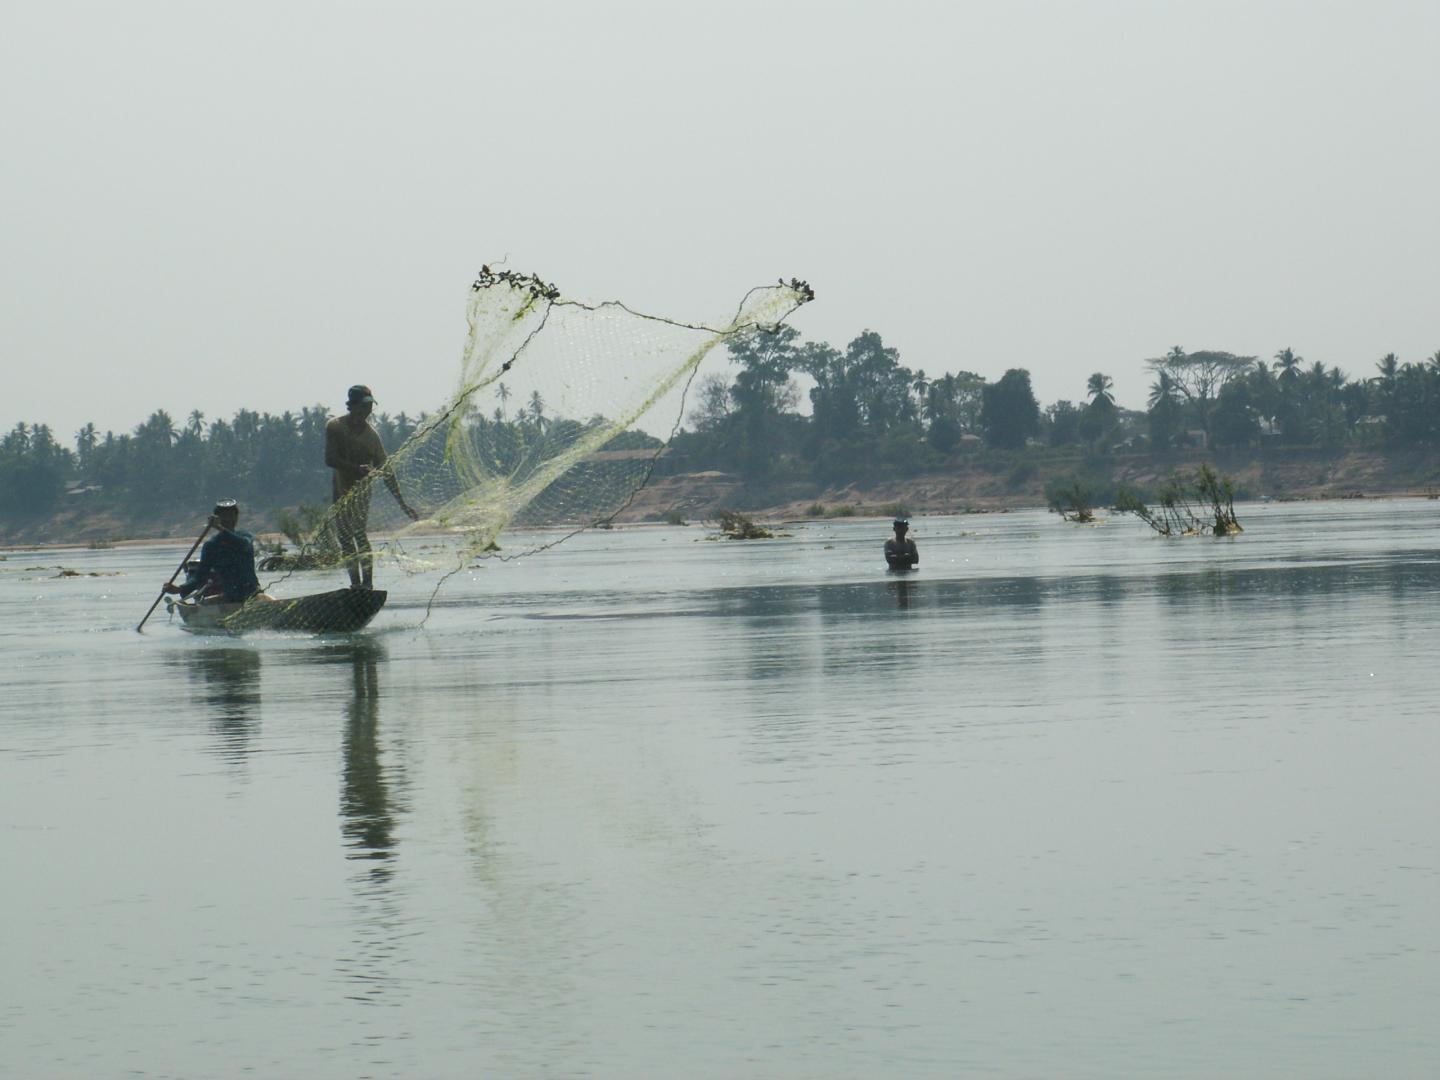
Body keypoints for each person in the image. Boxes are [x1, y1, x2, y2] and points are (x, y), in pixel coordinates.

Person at [325, 384, 420, 590]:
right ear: (353, 406)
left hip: (361, 494)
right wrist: (355, 468)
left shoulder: (372, 437)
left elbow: (387, 472)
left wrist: (403, 504)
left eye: (370, 406)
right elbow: (330, 459)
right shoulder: (335, 427)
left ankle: (367, 584)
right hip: (340, 492)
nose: (367, 411)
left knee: (359, 534)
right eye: (364, 406)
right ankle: (355, 585)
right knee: (345, 538)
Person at [162, 499, 262, 603]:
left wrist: (220, 528)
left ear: (236, 517)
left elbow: (243, 545)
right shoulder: (211, 545)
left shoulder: (245, 537)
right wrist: (180, 589)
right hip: (230, 597)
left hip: (252, 594)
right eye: (224, 515)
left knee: (264, 600)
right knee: (205, 603)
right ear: (218, 518)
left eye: (231, 515)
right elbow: (200, 576)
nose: (228, 519)